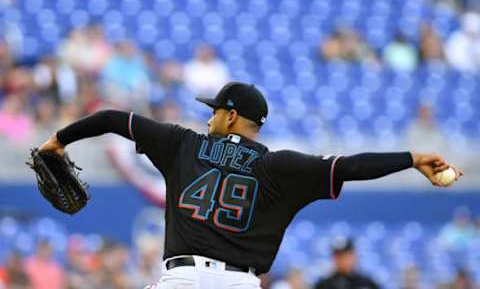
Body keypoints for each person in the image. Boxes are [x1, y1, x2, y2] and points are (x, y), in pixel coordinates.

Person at [38, 82, 463, 289]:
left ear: (230, 114)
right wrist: (411, 159)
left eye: (213, 111)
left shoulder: (182, 145)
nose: (207, 118)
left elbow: (114, 118)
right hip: (241, 284)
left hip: (183, 280)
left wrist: (59, 140)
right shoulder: (279, 167)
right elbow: (351, 166)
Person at [314, 238, 379, 289]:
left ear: (355, 256)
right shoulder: (324, 285)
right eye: (339, 256)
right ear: (333, 258)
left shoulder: (367, 283)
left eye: (346, 255)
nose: (343, 260)